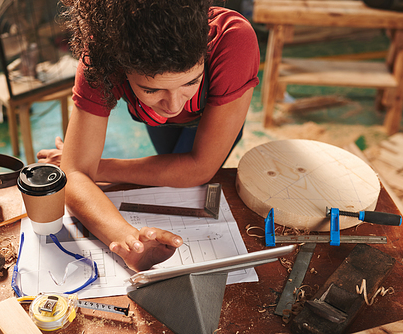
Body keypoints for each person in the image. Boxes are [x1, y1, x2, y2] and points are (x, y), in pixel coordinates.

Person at [37, 0, 260, 272]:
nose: (174, 106)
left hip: (216, 114)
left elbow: (199, 168)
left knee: (190, 174)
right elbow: (74, 176)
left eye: (191, 81)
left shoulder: (233, 39)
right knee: (170, 165)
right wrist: (128, 241)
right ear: (120, 67)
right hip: (153, 118)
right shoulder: (103, 51)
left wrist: (94, 167)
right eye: (152, 90)